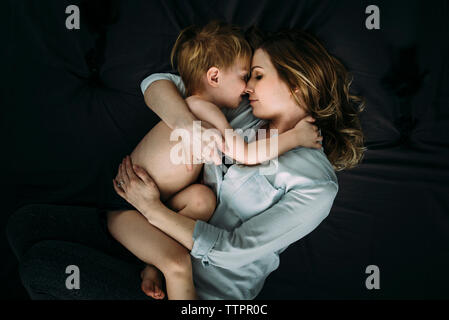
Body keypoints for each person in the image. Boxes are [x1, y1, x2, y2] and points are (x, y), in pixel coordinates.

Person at [112, 27, 366, 300]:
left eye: (258, 75)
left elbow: (231, 253)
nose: (248, 86)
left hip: (212, 293)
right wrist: (186, 126)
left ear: (296, 84)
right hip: (151, 251)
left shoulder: (316, 184)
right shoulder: (236, 108)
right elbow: (156, 84)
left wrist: (150, 208)